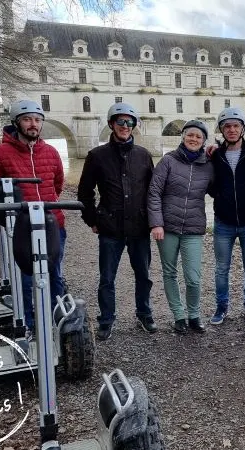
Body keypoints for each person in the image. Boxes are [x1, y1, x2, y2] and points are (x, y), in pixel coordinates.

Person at [0, 99, 65, 335]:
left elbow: (57, 185)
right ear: (16, 122)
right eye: (27, 119)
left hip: (52, 224)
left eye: (37, 120)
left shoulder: (50, 152)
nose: (33, 125)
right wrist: (11, 222)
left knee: (55, 276)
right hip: (22, 228)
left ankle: (55, 323)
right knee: (27, 279)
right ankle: (28, 325)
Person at [77, 102, 156, 341]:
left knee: (143, 275)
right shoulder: (96, 156)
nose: (125, 126)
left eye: (130, 122)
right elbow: (84, 192)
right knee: (107, 278)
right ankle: (107, 319)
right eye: (120, 121)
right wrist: (91, 219)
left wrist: (154, 221)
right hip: (110, 228)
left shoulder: (143, 155)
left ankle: (144, 313)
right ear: (111, 124)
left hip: (139, 227)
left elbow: (153, 191)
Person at [148, 120, 215, 334]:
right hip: (167, 227)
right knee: (169, 272)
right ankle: (178, 316)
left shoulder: (208, 164)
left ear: (204, 141)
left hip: (194, 228)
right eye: (190, 135)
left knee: (193, 277)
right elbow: (154, 193)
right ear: (183, 136)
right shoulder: (168, 161)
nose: (193, 139)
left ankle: (194, 315)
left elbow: (217, 189)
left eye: (198, 136)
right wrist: (156, 223)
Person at [209, 108, 245, 326]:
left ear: (243, 128)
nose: (231, 130)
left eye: (235, 126)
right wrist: (217, 194)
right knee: (221, 268)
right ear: (222, 130)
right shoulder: (214, 155)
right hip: (223, 222)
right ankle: (221, 307)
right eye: (227, 126)